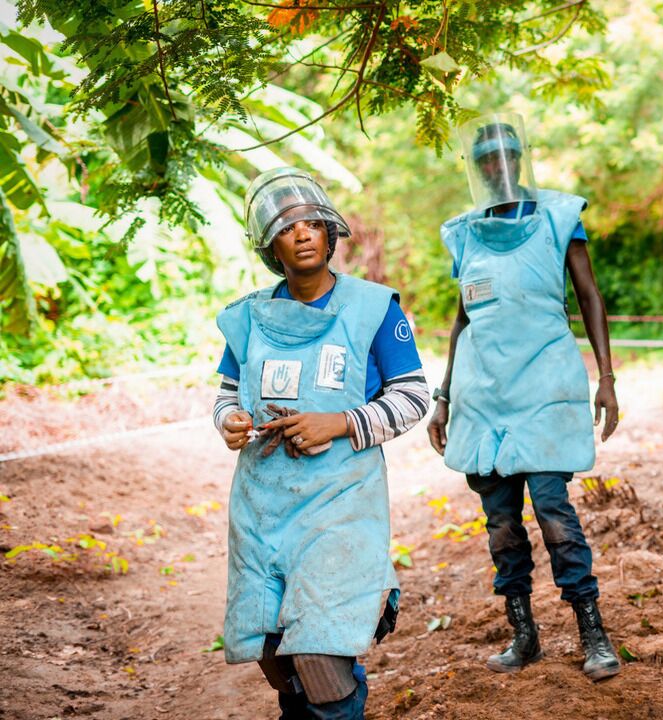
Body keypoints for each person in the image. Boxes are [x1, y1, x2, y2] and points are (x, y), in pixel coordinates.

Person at [214, 167, 431, 719]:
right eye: (288, 228)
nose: (304, 234)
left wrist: (338, 424)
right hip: (262, 508)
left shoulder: (373, 309)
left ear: (331, 234)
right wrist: (230, 421)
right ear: (271, 245)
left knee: (320, 660)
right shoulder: (249, 319)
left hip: (339, 504)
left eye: (313, 223)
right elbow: (225, 394)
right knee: (274, 653)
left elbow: (412, 398)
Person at [426, 114, 622, 682]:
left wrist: (606, 377)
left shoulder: (559, 216)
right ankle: (524, 633)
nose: (498, 166)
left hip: (545, 383)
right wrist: (443, 396)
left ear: (520, 158)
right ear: (478, 167)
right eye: (486, 159)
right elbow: (463, 319)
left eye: (506, 156)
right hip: (482, 391)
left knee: (553, 507)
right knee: (501, 523)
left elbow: (589, 296)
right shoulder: (464, 231)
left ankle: (593, 633)